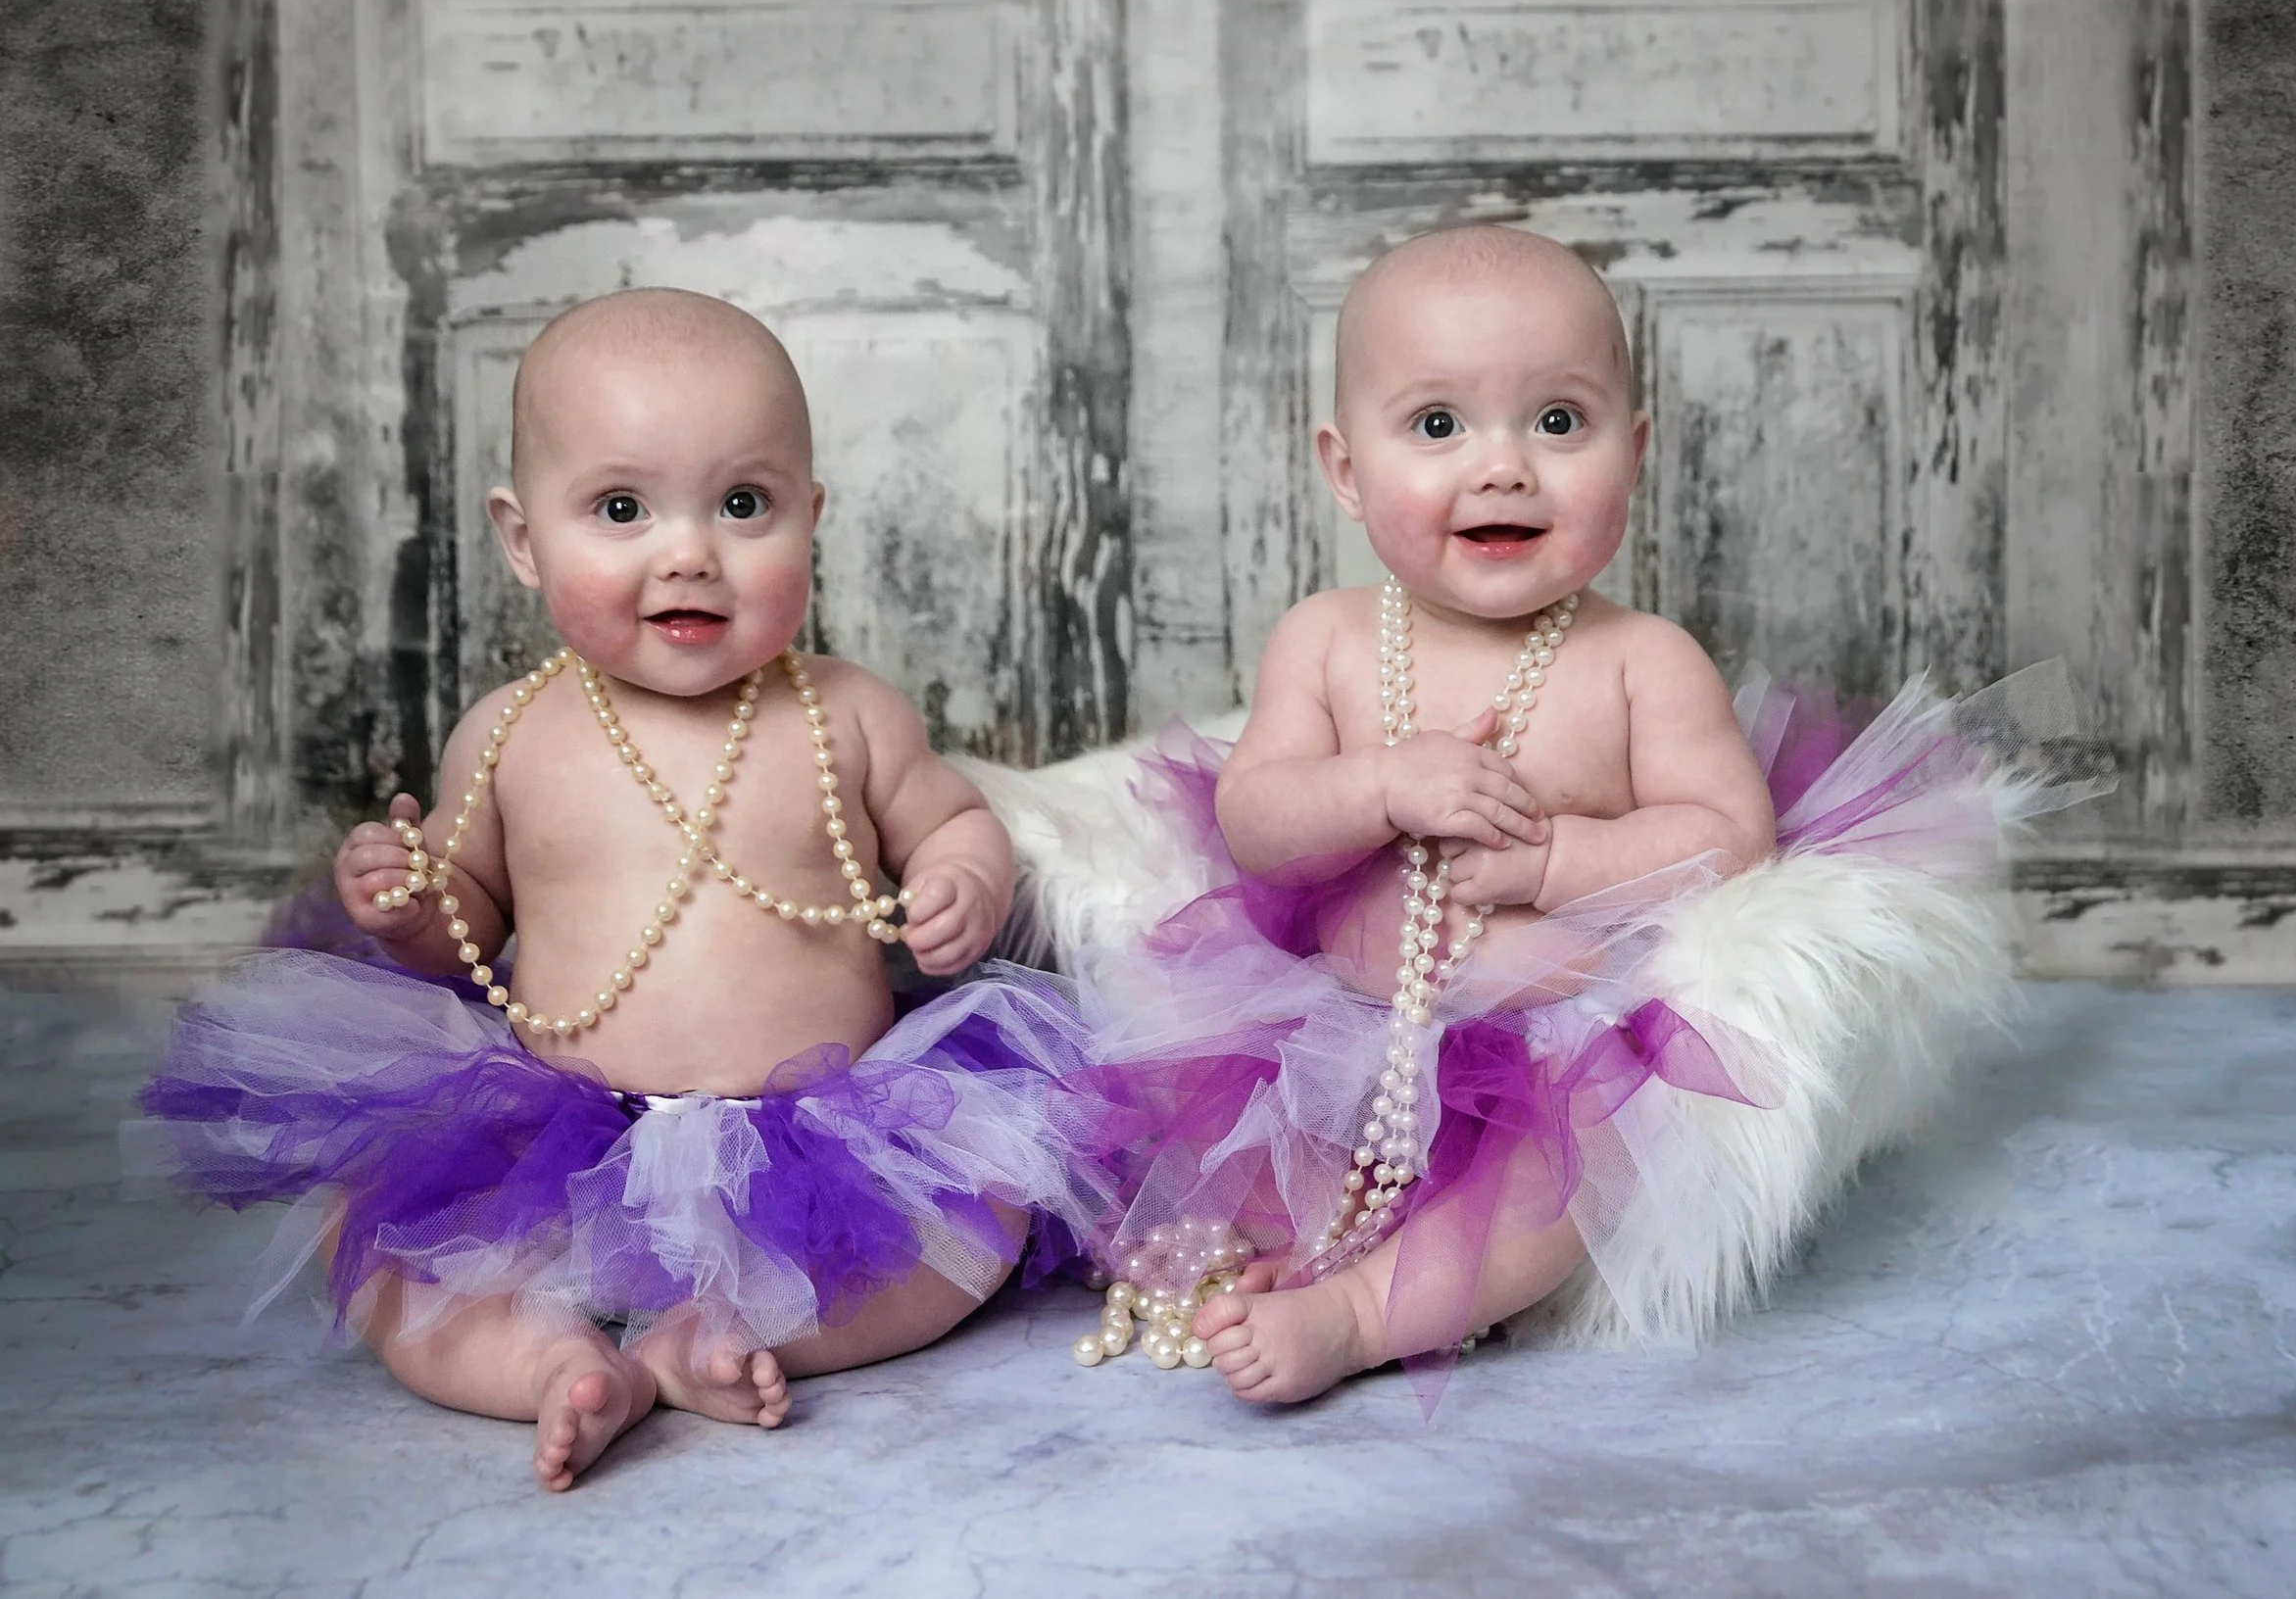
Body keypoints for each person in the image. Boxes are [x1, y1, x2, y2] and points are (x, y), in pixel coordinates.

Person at [1064, 225, 2085, 1407]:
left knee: (1586, 1171)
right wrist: (1378, 785)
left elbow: (1725, 834)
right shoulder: (1329, 640)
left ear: (1633, 450)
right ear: (1344, 470)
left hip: (1555, 1036)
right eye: (1438, 425)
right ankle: (1282, 1252)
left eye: (1557, 422)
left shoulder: (1641, 661)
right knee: (1219, 1128)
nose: (1503, 468)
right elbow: (1256, 819)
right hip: (1337, 1010)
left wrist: (1558, 854)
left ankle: (1360, 1314)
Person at [137, 288, 1103, 1488]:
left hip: (819, 1141)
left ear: (812, 515)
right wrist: (412, 906)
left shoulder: (846, 711)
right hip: (565, 1131)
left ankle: (726, 1340)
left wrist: (959, 874)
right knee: (379, 1239)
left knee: (981, 1217)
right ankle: (543, 1360)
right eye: (620, 508)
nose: (688, 550)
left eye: (743, 504)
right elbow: (471, 933)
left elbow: (950, 816)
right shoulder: (509, 732)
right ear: (522, 537)